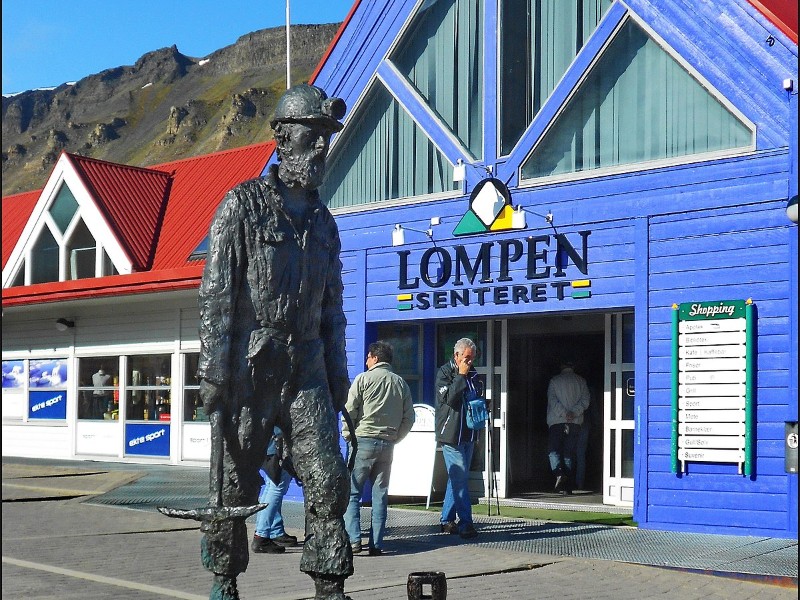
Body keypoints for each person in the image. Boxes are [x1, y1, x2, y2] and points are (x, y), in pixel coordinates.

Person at [196, 83, 353, 600]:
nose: (323, 147)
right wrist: (215, 374)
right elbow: (217, 297)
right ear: (284, 139)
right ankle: (225, 582)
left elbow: (333, 310)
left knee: (328, 481)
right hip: (251, 367)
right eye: (314, 135)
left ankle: (330, 588)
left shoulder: (325, 225)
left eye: (327, 137)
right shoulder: (241, 206)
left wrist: (338, 378)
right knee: (232, 488)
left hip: (306, 369)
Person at [343, 341, 415, 557]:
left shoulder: (363, 379)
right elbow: (409, 418)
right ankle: (376, 543)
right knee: (380, 495)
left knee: (353, 492)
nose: (366, 360)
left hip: (362, 441)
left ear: (374, 357)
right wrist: (395, 437)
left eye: (368, 357)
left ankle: (354, 540)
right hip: (387, 444)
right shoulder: (401, 383)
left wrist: (348, 435)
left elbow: (350, 410)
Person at [434, 337, 483, 539]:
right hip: (451, 435)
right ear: (456, 355)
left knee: (457, 478)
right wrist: (461, 376)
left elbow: (476, 397)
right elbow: (449, 399)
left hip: (469, 433)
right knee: (461, 478)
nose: (470, 361)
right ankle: (466, 523)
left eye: (472, 358)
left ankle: (446, 520)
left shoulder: (474, 374)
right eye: (466, 357)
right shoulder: (445, 373)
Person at [252, 426, 300, 554]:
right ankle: (261, 535)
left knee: (271, 487)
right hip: (276, 447)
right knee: (276, 488)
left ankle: (273, 531)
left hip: (268, 445)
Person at [546, 361, 591, 495]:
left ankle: (559, 473)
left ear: (561, 366)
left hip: (557, 421)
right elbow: (585, 401)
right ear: (574, 366)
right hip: (575, 422)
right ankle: (567, 487)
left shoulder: (554, 381)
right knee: (569, 454)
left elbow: (552, 400)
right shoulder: (581, 381)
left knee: (553, 451)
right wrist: (573, 413)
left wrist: (564, 413)